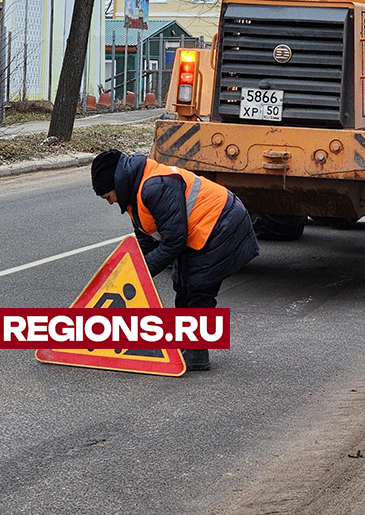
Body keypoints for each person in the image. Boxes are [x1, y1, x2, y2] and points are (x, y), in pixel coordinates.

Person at [91, 149, 259, 371]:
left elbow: (173, 243)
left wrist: (142, 272)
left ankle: (197, 354)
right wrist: (127, 270)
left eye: (108, 197)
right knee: (182, 283)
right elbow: (147, 239)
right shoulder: (133, 196)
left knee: (199, 288)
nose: (110, 202)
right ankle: (185, 344)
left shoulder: (154, 186)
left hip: (223, 223)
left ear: (116, 183)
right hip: (200, 230)